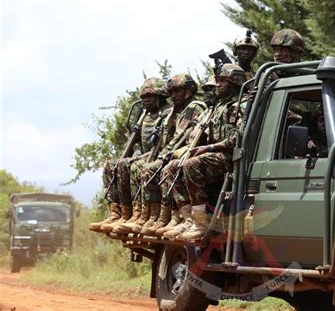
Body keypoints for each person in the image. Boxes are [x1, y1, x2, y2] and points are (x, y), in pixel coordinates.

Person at [161, 63, 247, 242]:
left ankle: (201, 223)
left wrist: (209, 148)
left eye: (223, 81)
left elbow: (238, 137)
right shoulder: (217, 106)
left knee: (192, 164)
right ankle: (187, 219)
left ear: (234, 82)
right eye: (218, 81)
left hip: (233, 156)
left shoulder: (241, 104)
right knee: (172, 167)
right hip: (216, 154)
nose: (218, 85)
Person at [89, 77, 171, 233]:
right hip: (144, 154)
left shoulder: (168, 114)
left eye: (150, 96)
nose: (146, 100)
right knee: (111, 165)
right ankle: (118, 213)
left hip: (158, 156)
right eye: (143, 97)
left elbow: (167, 144)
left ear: (160, 96)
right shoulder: (144, 116)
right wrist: (135, 154)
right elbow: (136, 144)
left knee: (135, 167)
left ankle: (141, 214)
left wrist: (140, 157)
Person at [136, 74, 207, 236]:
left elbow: (178, 140)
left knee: (162, 168)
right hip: (181, 154)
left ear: (188, 91)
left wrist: (163, 156)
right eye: (171, 91)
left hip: (190, 154)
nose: (172, 95)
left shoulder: (193, 108)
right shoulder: (179, 110)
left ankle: (176, 218)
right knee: (153, 167)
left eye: (176, 91)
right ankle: (157, 217)